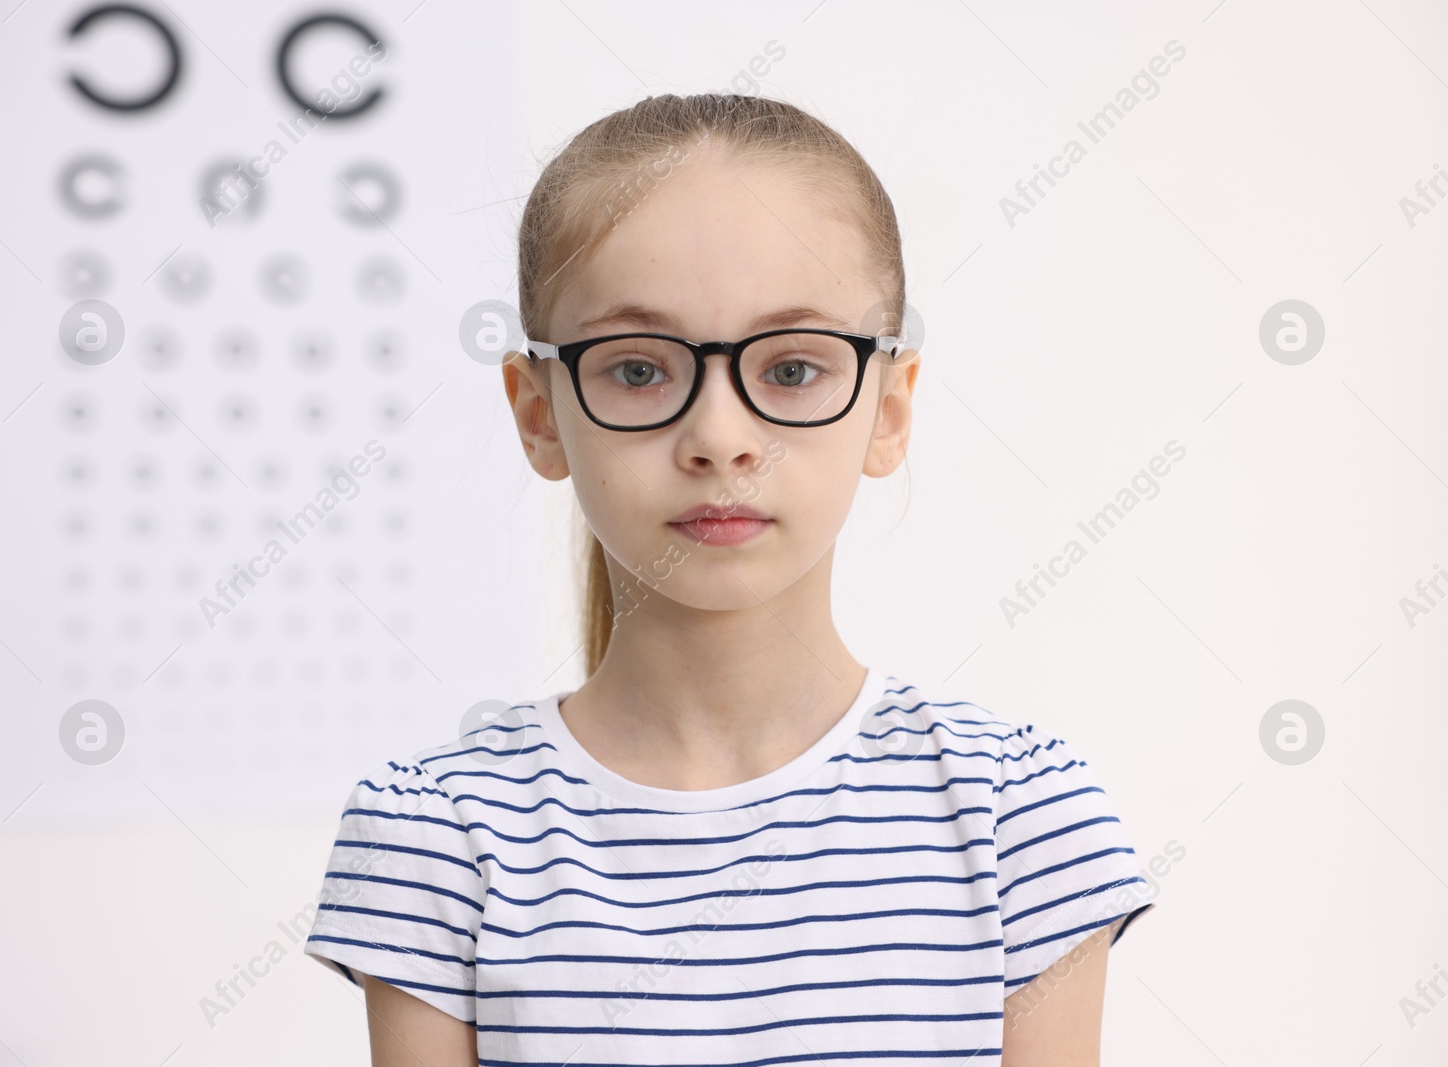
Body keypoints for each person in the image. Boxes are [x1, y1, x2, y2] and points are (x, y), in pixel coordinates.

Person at [303, 91, 1152, 1066]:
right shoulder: (437, 830)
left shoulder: (1020, 816)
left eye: (791, 369)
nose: (718, 437)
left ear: (887, 407)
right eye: (636, 369)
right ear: (538, 413)